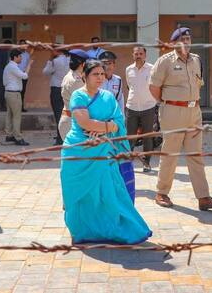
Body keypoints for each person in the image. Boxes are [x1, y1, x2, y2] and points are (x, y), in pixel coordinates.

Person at [61, 59, 151, 244]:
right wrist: (107, 126)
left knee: (108, 192)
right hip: (79, 150)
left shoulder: (108, 97)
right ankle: (83, 230)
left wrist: (107, 127)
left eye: (102, 74)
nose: (100, 77)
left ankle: (108, 228)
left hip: (104, 150)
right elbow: (84, 123)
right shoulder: (79, 96)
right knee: (81, 194)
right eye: (95, 74)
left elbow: (117, 121)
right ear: (84, 76)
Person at [149, 27, 212, 211]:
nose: (187, 42)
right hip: (173, 111)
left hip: (194, 111)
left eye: (189, 38)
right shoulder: (164, 62)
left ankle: (203, 197)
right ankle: (162, 192)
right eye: (183, 39)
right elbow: (153, 87)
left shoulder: (196, 60)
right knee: (170, 153)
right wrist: (166, 103)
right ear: (174, 43)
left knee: (196, 154)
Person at [125, 46, 158, 172]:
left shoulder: (152, 68)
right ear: (133, 55)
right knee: (130, 136)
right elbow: (129, 85)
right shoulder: (128, 69)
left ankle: (146, 162)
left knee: (147, 136)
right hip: (132, 107)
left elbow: (155, 85)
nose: (138, 55)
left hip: (148, 106)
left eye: (140, 53)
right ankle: (128, 162)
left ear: (145, 55)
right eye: (136, 54)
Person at [3, 49, 32, 145]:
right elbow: (24, 76)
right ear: (15, 57)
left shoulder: (9, 66)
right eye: (20, 56)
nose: (21, 58)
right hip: (14, 94)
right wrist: (29, 66)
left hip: (8, 92)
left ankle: (9, 135)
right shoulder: (13, 67)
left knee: (9, 115)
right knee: (16, 116)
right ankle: (18, 137)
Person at [58, 50, 88, 142]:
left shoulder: (72, 75)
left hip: (72, 119)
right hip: (72, 121)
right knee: (77, 154)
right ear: (82, 64)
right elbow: (86, 101)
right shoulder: (75, 81)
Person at [43, 46, 70, 145]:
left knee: (58, 114)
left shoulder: (55, 61)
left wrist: (50, 59)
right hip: (68, 88)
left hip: (56, 88)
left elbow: (45, 72)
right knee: (68, 113)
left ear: (57, 51)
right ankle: (67, 136)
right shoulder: (70, 59)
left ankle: (60, 138)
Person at [17, 39, 33, 112]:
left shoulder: (27, 55)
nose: (23, 45)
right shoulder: (15, 54)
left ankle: (21, 107)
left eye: (24, 44)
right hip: (16, 75)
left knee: (22, 92)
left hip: (23, 75)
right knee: (16, 92)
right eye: (21, 44)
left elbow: (28, 65)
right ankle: (15, 107)